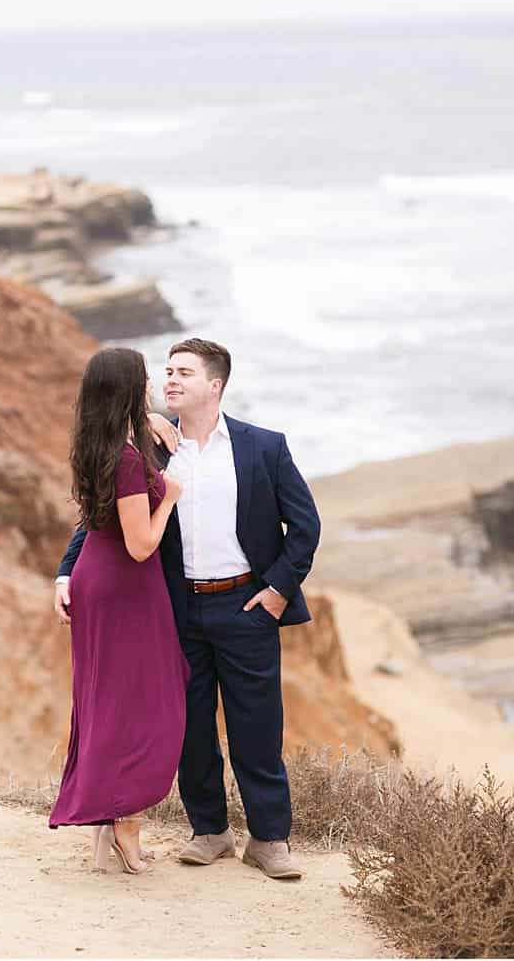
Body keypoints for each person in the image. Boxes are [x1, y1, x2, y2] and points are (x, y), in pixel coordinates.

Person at [54, 337, 321, 880]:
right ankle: (210, 832)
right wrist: (66, 569)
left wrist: (275, 592)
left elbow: (305, 527)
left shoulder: (263, 447)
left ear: (215, 384)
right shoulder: (150, 446)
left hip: (248, 605)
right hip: (174, 611)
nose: (171, 379)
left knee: (257, 726)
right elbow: (103, 515)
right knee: (189, 727)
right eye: (167, 371)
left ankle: (270, 840)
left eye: (184, 372)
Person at [47, 348, 188, 872]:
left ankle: (109, 819)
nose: (154, 387)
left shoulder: (95, 445)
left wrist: (148, 421)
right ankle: (125, 823)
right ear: (130, 390)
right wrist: (169, 496)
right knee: (147, 706)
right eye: (146, 382)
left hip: (100, 582)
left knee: (107, 700)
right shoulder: (128, 459)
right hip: (127, 586)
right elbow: (141, 545)